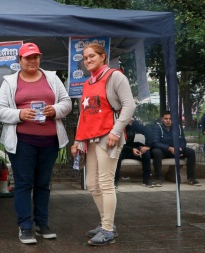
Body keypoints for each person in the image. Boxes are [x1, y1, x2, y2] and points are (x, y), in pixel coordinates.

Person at [0, 43, 72, 244]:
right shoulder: (10, 82)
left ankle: (42, 224)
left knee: (43, 184)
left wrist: (54, 109)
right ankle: (25, 226)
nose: (32, 61)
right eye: (27, 57)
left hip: (49, 140)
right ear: (19, 60)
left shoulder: (52, 78)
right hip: (23, 142)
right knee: (23, 184)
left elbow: (67, 103)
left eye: (35, 57)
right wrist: (20, 114)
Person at [70, 43, 136, 246]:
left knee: (105, 183)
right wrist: (77, 140)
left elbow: (129, 104)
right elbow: (84, 114)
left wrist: (116, 131)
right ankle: (107, 223)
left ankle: (107, 229)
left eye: (92, 56)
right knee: (92, 183)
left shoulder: (115, 76)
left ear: (103, 57)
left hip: (108, 135)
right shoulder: (87, 83)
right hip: (89, 138)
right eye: (85, 57)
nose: (88, 60)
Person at [151, 111, 201, 187]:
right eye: (166, 119)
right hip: (163, 151)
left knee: (191, 152)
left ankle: (191, 177)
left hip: (175, 150)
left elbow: (182, 140)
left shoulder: (177, 127)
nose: (168, 121)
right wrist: (169, 148)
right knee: (156, 152)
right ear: (162, 119)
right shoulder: (157, 127)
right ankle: (159, 178)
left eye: (170, 119)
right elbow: (155, 142)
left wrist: (180, 148)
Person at [114, 118, 154, 188]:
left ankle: (146, 180)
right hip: (120, 149)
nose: (132, 119)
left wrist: (147, 146)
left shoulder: (133, 123)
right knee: (117, 156)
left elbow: (148, 131)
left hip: (131, 148)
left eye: (132, 117)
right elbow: (117, 143)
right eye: (129, 118)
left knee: (146, 153)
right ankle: (114, 181)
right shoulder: (117, 125)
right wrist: (131, 149)